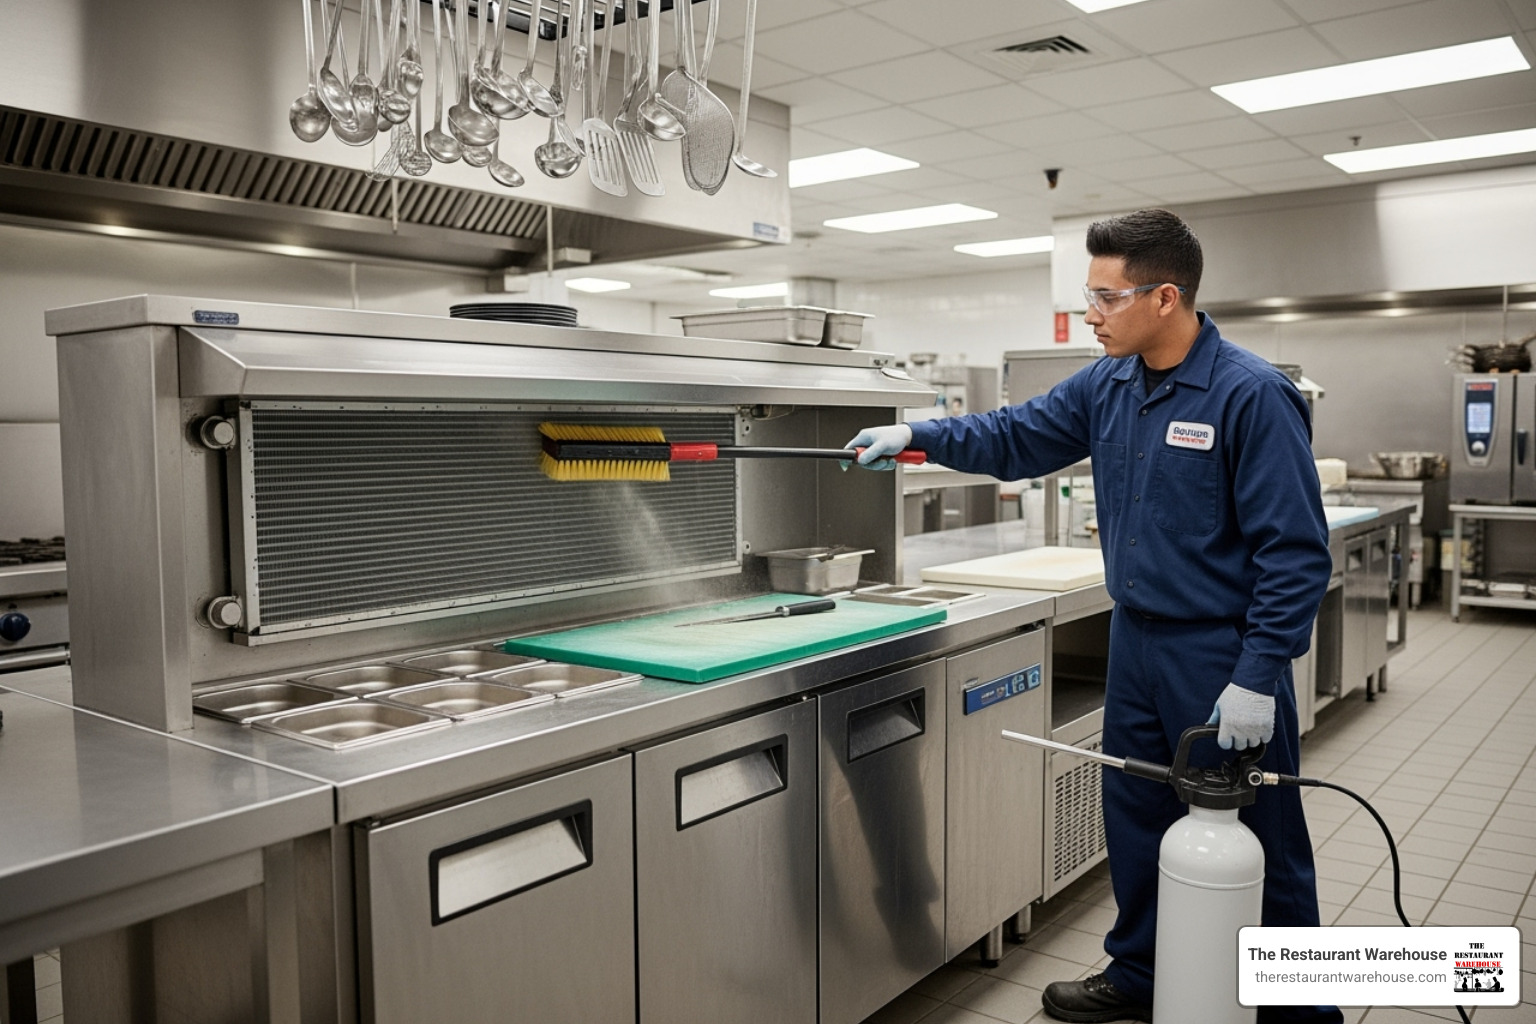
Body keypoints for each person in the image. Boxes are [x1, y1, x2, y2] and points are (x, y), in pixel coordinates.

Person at [846, 209, 1340, 1024]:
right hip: (1136, 642)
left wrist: (1259, 676)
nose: (1093, 315)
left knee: (1263, 836)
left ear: (1166, 297)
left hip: (1220, 655)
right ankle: (1144, 975)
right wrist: (914, 433)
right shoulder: (1106, 385)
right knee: (1137, 816)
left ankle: (1302, 1013)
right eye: (1090, 298)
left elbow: (1294, 554)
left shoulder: (1251, 395)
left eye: (1107, 299)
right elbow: (1013, 436)